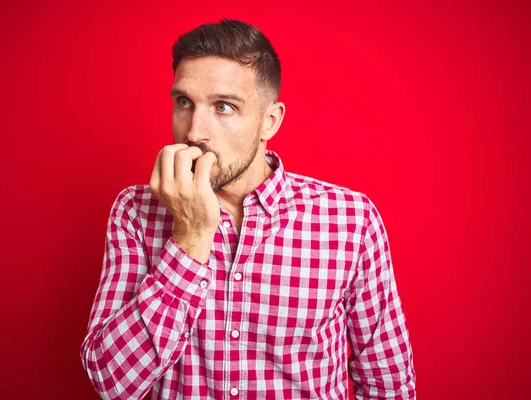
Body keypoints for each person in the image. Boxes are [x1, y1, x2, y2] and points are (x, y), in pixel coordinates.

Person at [79, 18, 416, 400]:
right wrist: (190, 238)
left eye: (223, 107)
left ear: (269, 121)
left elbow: (388, 383)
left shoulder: (350, 221)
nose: (194, 132)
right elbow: (112, 384)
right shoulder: (136, 212)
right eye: (184, 102)